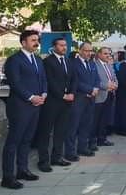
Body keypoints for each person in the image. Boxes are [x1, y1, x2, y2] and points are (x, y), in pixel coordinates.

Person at [1, 30, 47, 190]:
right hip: (20, 106)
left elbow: (43, 79)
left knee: (27, 140)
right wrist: (31, 97)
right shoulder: (14, 60)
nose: (36, 42)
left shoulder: (38, 59)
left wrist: (43, 94)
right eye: (33, 40)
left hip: (36, 105)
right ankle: (7, 176)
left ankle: (22, 169)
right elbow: (16, 82)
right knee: (14, 141)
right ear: (23, 42)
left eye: (37, 40)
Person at [36, 38, 77, 172]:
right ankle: (43, 161)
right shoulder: (47, 61)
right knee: (46, 132)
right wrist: (62, 95)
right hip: (52, 102)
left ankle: (57, 157)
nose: (64, 48)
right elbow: (49, 81)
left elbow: (73, 79)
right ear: (54, 47)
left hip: (66, 102)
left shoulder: (68, 61)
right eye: (61, 45)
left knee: (61, 130)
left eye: (65, 45)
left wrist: (71, 93)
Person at [65, 42, 100, 160]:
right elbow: (75, 81)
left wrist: (95, 89)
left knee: (86, 124)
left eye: (90, 51)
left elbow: (97, 78)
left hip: (91, 98)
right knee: (73, 125)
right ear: (80, 50)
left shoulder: (91, 63)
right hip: (78, 98)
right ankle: (70, 152)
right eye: (86, 51)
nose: (89, 53)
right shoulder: (73, 63)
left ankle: (82, 147)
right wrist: (90, 89)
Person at [89, 47, 116, 151]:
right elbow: (94, 80)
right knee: (96, 120)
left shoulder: (109, 65)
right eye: (105, 53)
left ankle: (102, 138)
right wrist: (106, 86)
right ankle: (92, 141)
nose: (108, 55)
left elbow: (114, 77)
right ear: (99, 54)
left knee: (105, 118)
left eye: (109, 53)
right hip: (100, 96)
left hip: (110, 94)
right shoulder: (94, 64)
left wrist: (115, 85)